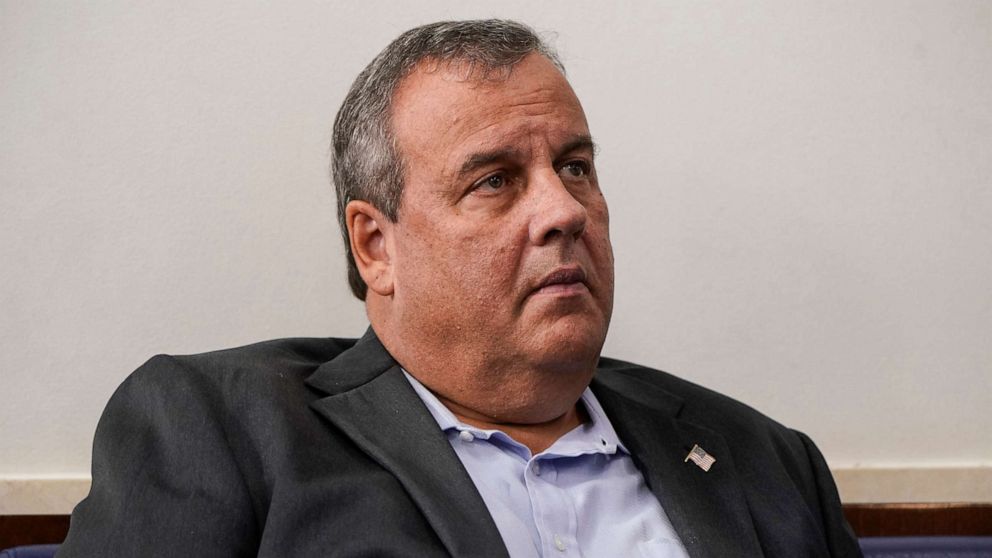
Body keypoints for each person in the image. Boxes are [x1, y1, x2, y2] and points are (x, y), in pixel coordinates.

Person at [60, 19, 862, 557]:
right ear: (377, 247)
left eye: (575, 167)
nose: (563, 211)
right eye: (494, 181)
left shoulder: (767, 460)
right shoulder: (224, 428)